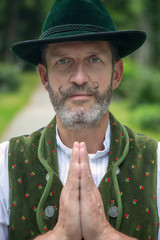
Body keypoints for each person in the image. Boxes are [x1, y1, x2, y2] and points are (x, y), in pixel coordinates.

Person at [0, 0, 159, 239]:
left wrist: (105, 233)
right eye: (63, 61)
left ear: (116, 74)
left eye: (94, 59)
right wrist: (61, 234)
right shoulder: (4, 165)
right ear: (44, 77)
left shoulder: (156, 163)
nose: (79, 78)